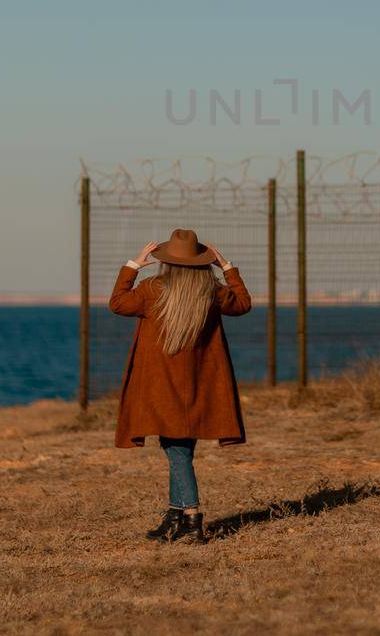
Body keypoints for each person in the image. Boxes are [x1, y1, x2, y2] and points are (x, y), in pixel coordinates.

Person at [109, 227, 252, 544]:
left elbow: (117, 303)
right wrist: (227, 267)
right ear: (203, 261)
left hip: (162, 388)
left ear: (166, 262)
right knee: (180, 448)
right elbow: (243, 303)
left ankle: (191, 518)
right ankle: (174, 515)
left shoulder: (151, 289)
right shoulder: (212, 292)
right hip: (198, 387)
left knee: (176, 452)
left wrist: (133, 264)